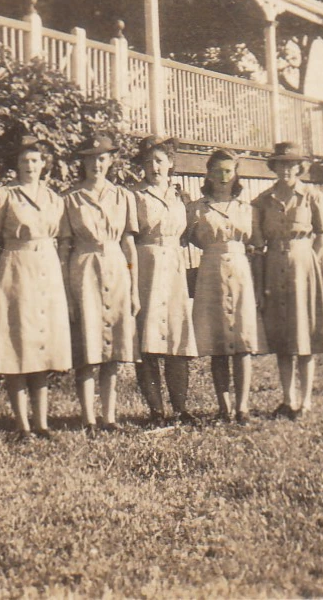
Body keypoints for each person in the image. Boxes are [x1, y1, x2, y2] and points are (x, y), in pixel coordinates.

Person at [0, 135, 72, 441]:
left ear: (44, 164)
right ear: (16, 165)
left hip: (47, 271)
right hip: (16, 271)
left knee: (42, 345)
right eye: (24, 160)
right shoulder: (3, 196)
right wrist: (7, 269)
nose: (30, 166)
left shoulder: (55, 199)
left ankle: (43, 423)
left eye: (35, 160)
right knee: (17, 345)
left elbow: (60, 239)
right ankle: (22, 425)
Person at [59, 134, 139, 438]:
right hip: (84, 268)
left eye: (102, 158)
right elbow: (63, 248)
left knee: (114, 349)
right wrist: (67, 293)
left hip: (117, 267)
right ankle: (88, 418)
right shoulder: (70, 198)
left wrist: (133, 288)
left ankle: (109, 417)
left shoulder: (123, 197)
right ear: (83, 162)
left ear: (111, 160)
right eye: (91, 158)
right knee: (88, 347)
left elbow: (129, 245)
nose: (97, 164)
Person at [252, 141, 323, 419]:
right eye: (281, 164)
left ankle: (306, 401)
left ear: (300, 167)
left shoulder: (311, 195)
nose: (286, 169)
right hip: (274, 263)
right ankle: (288, 399)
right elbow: (258, 244)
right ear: (274, 167)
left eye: (291, 164)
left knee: (304, 335)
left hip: (302, 264)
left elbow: (322, 233)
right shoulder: (263, 200)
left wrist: (311, 260)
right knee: (283, 336)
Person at [186, 149, 258, 425]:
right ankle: (224, 407)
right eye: (217, 170)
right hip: (211, 272)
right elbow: (187, 237)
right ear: (208, 173)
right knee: (216, 343)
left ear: (236, 174)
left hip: (239, 270)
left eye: (228, 171)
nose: (222, 177)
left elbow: (255, 241)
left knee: (242, 342)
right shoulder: (197, 208)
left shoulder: (246, 208)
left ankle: (242, 407)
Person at [132, 135, 198, 427]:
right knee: (148, 340)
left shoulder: (181, 197)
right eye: (148, 162)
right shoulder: (135, 196)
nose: (153, 167)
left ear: (171, 163)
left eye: (159, 161)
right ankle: (156, 411)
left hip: (173, 266)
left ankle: (181, 408)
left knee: (176, 337)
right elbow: (128, 237)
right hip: (145, 264)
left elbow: (191, 234)